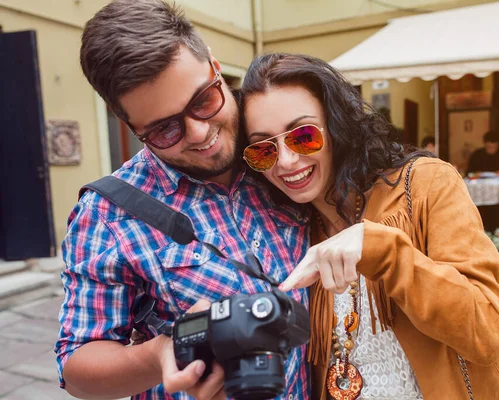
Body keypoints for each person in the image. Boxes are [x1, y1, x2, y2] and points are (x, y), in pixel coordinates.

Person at [240, 53, 499, 400]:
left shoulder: (426, 184)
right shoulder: (290, 231)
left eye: (303, 135)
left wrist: (383, 250)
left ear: (337, 125)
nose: (287, 160)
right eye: (264, 148)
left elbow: (488, 334)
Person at [54, 2, 311, 399]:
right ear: (128, 124)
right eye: (163, 129)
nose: (197, 132)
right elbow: (76, 367)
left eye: (203, 100)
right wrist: (158, 353)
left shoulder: (284, 147)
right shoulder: (107, 214)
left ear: (214, 65)